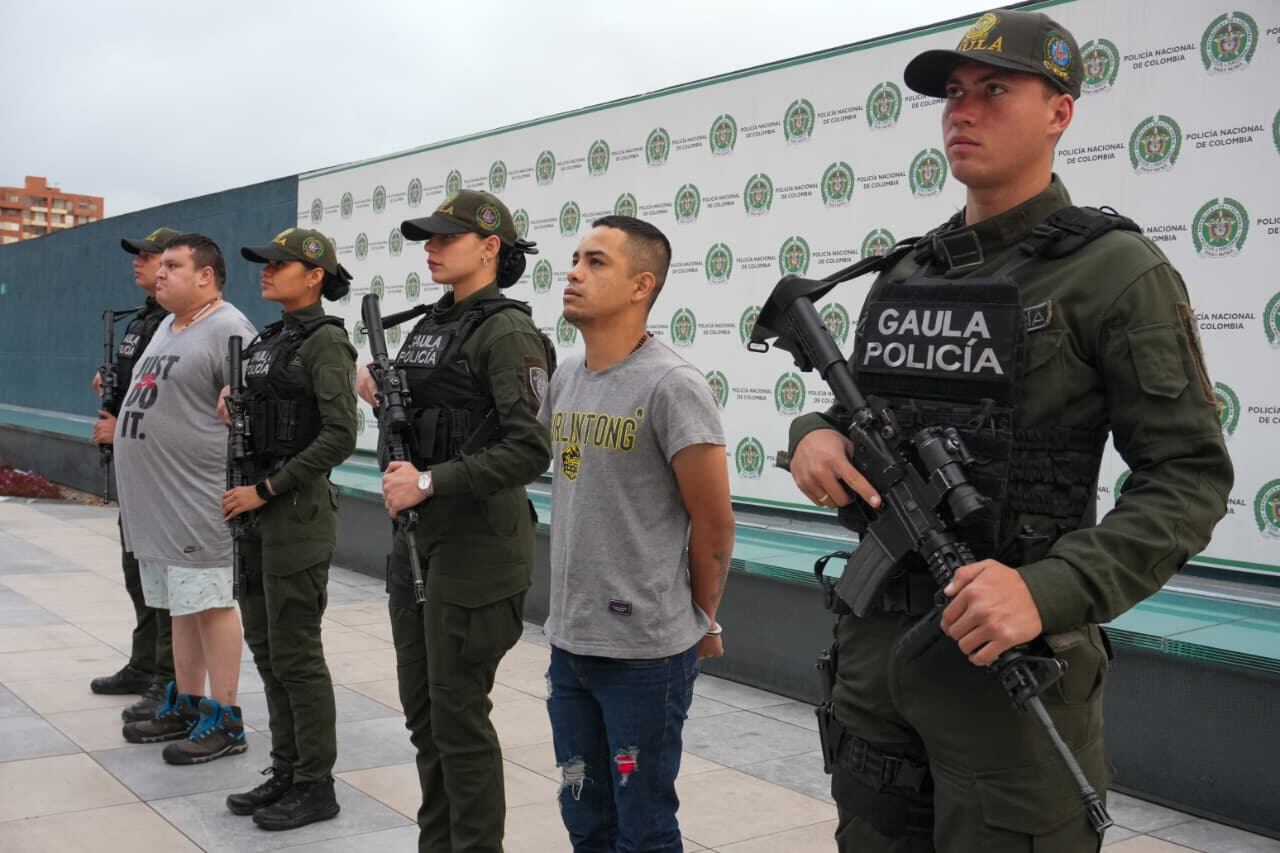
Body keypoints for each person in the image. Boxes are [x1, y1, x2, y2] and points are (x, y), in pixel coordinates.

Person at [783, 10, 1233, 852]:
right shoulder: (907, 272)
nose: (964, 110)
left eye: (995, 90)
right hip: (876, 649)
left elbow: (1188, 478)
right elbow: (864, 417)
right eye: (953, 94)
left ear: (1060, 112)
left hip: (1006, 671)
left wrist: (1046, 590)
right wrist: (814, 432)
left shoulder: (1115, 271)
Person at [356, 189, 551, 852]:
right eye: (428, 238)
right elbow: (433, 419)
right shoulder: (434, 323)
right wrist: (383, 397)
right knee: (426, 717)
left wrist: (430, 481)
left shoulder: (508, 330)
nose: (431, 248)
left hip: (478, 552)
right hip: (418, 545)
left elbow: (529, 447)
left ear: (490, 246)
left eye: (446, 238)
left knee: (459, 719)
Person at [539, 215, 735, 853]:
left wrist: (702, 616)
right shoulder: (567, 376)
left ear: (640, 286)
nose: (573, 271)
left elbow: (713, 524)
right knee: (583, 811)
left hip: (644, 661)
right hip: (570, 648)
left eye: (596, 262)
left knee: (642, 824)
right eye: (575, 258)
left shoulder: (673, 386)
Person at [217, 228, 358, 829]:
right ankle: (286, 769)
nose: (267, 271)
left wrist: (267, 489)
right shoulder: (272, 338)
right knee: (268, 650)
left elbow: (340, 434)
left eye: (281, 264)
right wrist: (232, 397)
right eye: (265, 262)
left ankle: (315, 784)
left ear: (316, 274)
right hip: (254, 516)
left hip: (291, 514)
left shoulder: (325, 342)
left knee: (297, 656)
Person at [114, 233, 258, 764]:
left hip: (200, 502)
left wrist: (237, 397)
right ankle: (190, 700)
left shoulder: (228, 326)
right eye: (161, 265)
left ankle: (227, 717)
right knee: (182, 607)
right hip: (159, 507)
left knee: (213, 605)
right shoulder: (170, 325)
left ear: (206, 275)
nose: (160, 273)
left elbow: (250, 401)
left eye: (173, 265)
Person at [89, 227, 179, 727]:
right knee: (136, 573)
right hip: (134, 463)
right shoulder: (142, 320)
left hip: (157, 467)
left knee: (161, 578)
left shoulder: (174, 323)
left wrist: (118, 423)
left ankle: (165, 676)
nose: (139, 264)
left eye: (148, 257)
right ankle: (145, 663)